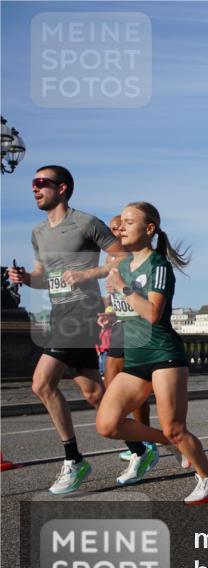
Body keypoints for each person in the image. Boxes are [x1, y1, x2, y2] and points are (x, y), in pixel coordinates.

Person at [94, 202, 208, 503]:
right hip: (136, 357)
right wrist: (110, 315)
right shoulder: (121, 266)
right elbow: (129, 310)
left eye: (128, 222)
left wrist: (123, 288)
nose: (121, 227)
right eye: (120, 222)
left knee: (176, 427)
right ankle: (169, 443)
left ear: (149, 229)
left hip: (163, 355)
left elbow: (152, 313)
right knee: (107, 424)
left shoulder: (158, 266)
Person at [8, 165, 124, 495]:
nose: (34, 188)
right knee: (93, 393)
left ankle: (74, 460)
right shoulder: (38, 233)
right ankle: (143, 446)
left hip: (84, 311)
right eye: (33, 184)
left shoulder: (86, 223)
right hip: (61, 313)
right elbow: (42, 276)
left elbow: (123, 257)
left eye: (42, 183)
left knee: (42, 383)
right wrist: (25, 279)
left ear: (62, 189)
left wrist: (91, 274)